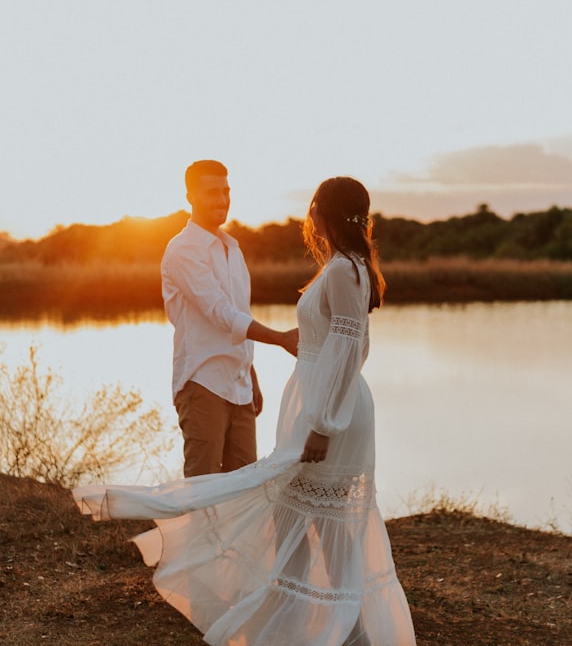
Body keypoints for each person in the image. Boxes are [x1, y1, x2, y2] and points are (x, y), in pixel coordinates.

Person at [74, 176, 417, 646]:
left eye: (314, 206)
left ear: (325, 213)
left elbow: (348, 350)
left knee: (308, 517)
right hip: (309, 401)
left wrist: (323, 423)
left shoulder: (340, 269)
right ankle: (299, 621)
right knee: (295, 514)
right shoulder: (347, 265)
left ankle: (347, 631)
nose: (309, 214)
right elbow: (230, 316)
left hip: (328, 412)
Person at [161, 159, 298, 477]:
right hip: (202, 382)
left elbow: (239, 316)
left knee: (243, 488)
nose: (222, 200)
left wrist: (250, 371)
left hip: (238, 385)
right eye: (212, 192)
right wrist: (280, 339)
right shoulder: (183, 250)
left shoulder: (232, 248)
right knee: (204, 490)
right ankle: (196, 530)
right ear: (190, 196)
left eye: (226, 191)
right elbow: (221, 314)